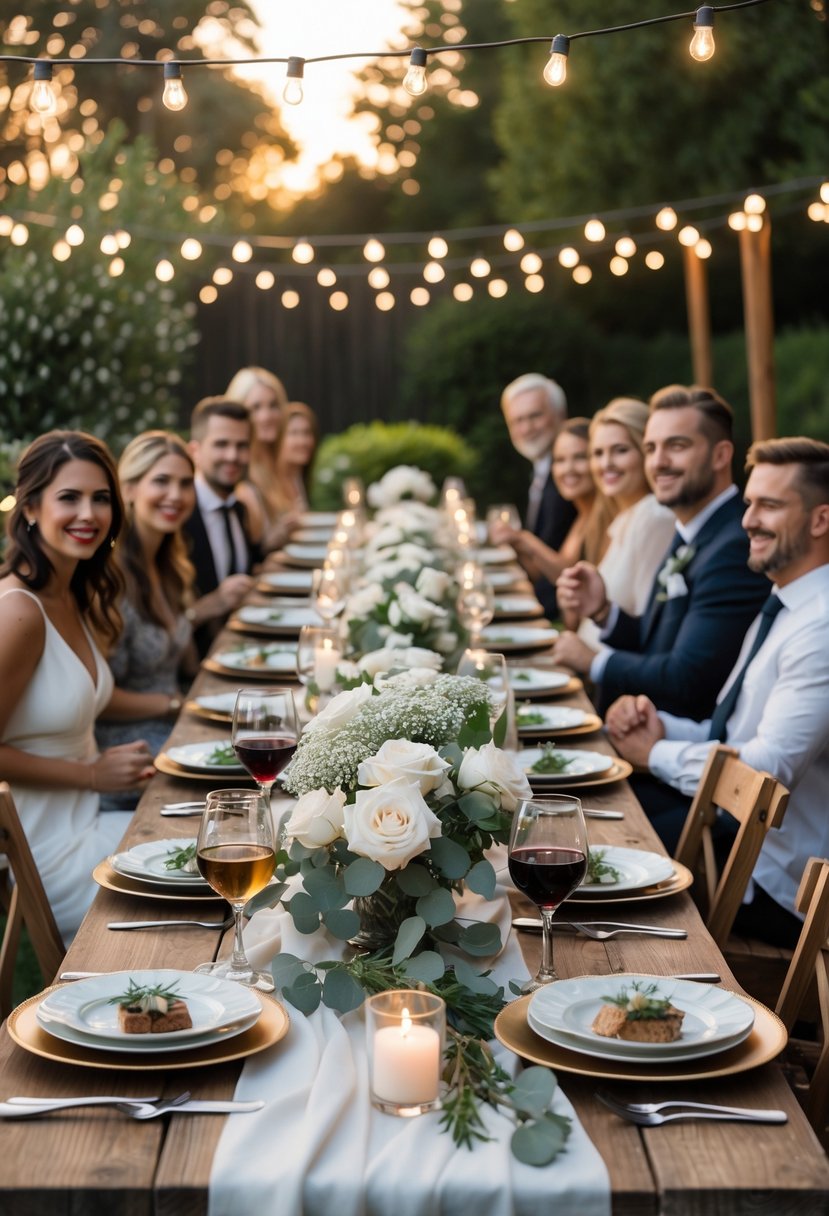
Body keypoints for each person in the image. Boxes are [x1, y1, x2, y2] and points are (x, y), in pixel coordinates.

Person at [606, 437, 829, 946]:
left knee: (600, 843)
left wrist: (657, 752)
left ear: (820, 520)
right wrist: (660, 725)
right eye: (749, 503)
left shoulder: (820, 627)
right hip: (740, 843)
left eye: (770, 505)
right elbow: (731, 733)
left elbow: (766, 772)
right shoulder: (784, 601)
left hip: (781, 883)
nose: (748, 519)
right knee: (596, 813)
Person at [0, 431, 155, 941]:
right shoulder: (19, 610)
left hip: (94, 820)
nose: (88, 513)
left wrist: (182, 703)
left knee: (226, 831)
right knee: (211, 867)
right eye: (69, 497)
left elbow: (92, 697)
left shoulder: (74, 593)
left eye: (101, 498)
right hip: (44, 854)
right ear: (29, 509)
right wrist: (91, 774)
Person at [552, 384, 769, 719]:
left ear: (721, 455)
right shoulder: (688, 530)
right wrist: (603, 610)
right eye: (651, 448)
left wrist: (594, 661)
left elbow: (688, 677)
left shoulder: (736, 544)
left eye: (676, 446)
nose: (659, 462)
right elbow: (656, 640)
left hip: (681, 750)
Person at [96, 431, 239, 807]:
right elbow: (100, 699)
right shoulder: (111, 577)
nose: (175, 495)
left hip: (178, 729)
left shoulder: (171, 563)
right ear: (128, 488)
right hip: (130, 747)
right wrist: (176, 704)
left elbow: (187, 659)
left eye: (184, 484)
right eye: (161, 481)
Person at [573, 398, 675, 642]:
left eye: (620, 450)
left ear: (645, 453)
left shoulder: (655, 517)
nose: (606, 464)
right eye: (598, 453)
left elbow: (647, 630)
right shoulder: (625, 517)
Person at [497, 419, 614, 612]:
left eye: (580, 457)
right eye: (559, 460)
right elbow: (548, 576)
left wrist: (524, 539)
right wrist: (516, 544)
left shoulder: (606, 520)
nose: (568, 469)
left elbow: (570, 578)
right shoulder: (580, 515)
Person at [183, 396, 259, 655]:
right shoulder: (178, 516)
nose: (233, 456)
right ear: (195, 451)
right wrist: (209, 605)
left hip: (245, 651)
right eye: (221, 444)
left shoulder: (239, 509)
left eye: (242, 446)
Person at [499, 373, 576, 549]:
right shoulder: (540, 469)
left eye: (535, 416)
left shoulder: (570, 476)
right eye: (517, 420)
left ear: (561, 415)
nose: (527, 428)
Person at [226, 366, 298, 552]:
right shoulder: (236, 474)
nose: (267, 416)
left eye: (273, 405)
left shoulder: (279, 463)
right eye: (255, 408)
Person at [270, 400, 319, 516]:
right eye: (294, 433)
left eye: (307, 433)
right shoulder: (271, 482)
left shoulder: (298, 477)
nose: (303, 441)